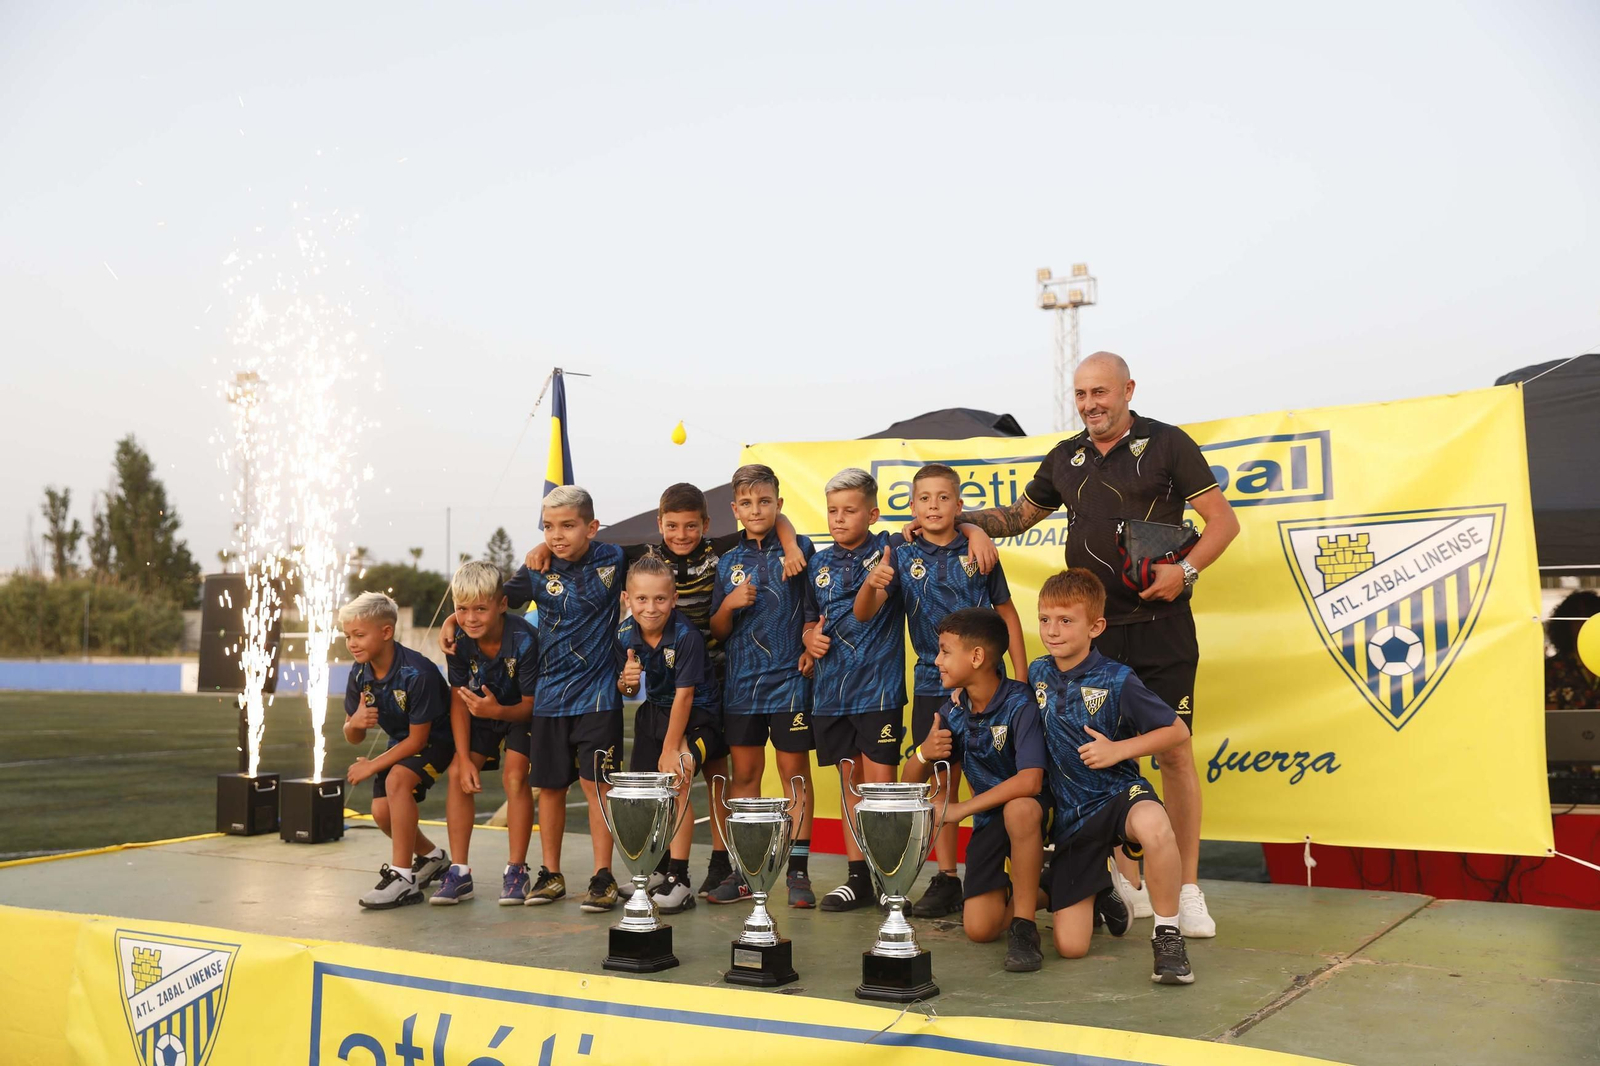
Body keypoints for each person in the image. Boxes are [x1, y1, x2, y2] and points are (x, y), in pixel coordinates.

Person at [953, 352, 1239, 936]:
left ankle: (1186, 888)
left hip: (1161, 630)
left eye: (1101, 392)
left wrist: (1184, 573)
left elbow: (1222, 523)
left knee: (1174, 753)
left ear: (1128, 389)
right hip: (1093, 643)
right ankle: (1126, 885)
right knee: (1094, 754)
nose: (1090, 404)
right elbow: (1021, 515)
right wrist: (966, 520)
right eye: (1081, 395)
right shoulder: (1065, 457)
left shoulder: (1168, 444)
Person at [520, 482, 805, 897]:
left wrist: (792, 543)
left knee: (713, 775)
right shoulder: (646, 558)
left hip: (715, 680)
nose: (681, 535)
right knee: (661, 783)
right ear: (660, 525)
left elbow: (771, 518)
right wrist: (543, 548)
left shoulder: (719, 549)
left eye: (691, 527)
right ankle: (666, 867)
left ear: (706, 526)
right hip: (663, 694)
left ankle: (719, 863)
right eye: (672, 527)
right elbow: (576, 539)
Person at [861, 462, 1018, 919]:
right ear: (911, 506)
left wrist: (1021, 681)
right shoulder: (896, 550)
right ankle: (946, 877)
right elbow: (866, 612)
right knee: (938, 780)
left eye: (943, 498)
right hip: (933, 685)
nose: (934, 506)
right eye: (924, 498)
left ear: (958, 504)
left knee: (993, 776)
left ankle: (999, 870)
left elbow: (1006, 614)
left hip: (990, 687)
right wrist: (873, 585)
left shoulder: (978, 549)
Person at [1032, 569, 1194, 984]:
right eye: (1045, 619)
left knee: (1156, 828)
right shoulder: (1036, 674)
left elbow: (1176, 730)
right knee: (1071, 947)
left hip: (1120, 794)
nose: (1053, 630)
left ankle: (1168, 936)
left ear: (1096, 626)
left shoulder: (1118, 678)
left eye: (1066, 621)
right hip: (1073, 816)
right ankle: (1101, 888)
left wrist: (1118, 750)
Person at [904, 608, 1049, 972]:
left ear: (978, 657)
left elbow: (1031, 781)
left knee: (1020, 808)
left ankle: (1025, 927)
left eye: (945, 651)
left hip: (1036, 816)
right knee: (980, 929)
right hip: (989, 823)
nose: (936, 661)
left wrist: (961, 809)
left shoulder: (1021, 703)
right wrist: (924, 752)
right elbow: (908, 785)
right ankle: (1063, 888)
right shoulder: (952, 711)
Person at [504, 485, 626, 912]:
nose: (557, 535)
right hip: (549, 700)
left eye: (568, 526)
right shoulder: (536, 569)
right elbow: (494, 601)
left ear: (591, 527)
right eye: (548, 527)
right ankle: (550, 874)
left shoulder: (614, 558)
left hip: (598, 699)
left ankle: (603, 877)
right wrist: (451, 618)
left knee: (598, 788)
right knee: (550, 789)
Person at [708, 464, 818, 907]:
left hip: (790, 682)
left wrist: (811, 640)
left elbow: (816, 608)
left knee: (794, 774)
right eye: (748, 504)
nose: (757, 510)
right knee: (746, 776)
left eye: (765, 501)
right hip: (741, 688)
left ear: (779, 504)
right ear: (735, 510)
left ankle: (798, 871)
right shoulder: (729, 563)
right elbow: (717, 629)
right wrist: (730, 604)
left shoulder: (800, 549)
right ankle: (745, 870)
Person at [806, 467, 907, 912]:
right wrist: (808, 639)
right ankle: (857, 877)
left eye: (850, 510)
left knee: (881, 788)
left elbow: (937, 521)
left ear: (873, 512)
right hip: (831, 693)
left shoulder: (892, 551)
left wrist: (970, 530)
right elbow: (810, 620)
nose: (840, 518)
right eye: (833, 511)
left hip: (879, 691)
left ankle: (890, 877)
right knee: (850, 786)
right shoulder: (817, 563)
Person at [615, 554, 723, 914]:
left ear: (674, 599)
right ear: (628, 599)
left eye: (660, 599)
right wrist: (627, 683)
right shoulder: (624, 634)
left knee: (675, 780)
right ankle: (658, 871)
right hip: (654, 714)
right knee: (646, 794)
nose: (650, 607)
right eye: (641, 599)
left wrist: (670, 747)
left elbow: (686, 695)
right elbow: (628, 689)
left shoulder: (687, 636)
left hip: (698, 719)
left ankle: (681, 880)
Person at [430, 562, 538, 906]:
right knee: (458, 773)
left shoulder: (524, 640)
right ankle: (459, 872)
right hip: (480, 711)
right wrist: (463, 758)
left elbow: (531, 706)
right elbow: (459, 700)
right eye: (462, 609)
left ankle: (517, 870)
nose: (471, 618)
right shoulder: (458, 641)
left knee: (515, 777)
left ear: (502, 605)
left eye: (480, 609)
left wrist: (497, 711)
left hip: (521, 713)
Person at [339, 591, 453, 910]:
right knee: (380, 813)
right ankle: (433, 858)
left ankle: (403, 879)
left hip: (437, 740)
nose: (352, 643)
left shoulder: (417, 673)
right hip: (400, 741)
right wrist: (355, 723)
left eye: (359, 635)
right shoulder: (359, 673)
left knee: (396, 782)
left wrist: (371, 766)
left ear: (386, 632)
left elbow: (418, 741)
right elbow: (353, 736)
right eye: (348, 636)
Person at [1546, 591, 1600, 710]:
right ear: (1566, 624)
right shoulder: (1552, 669)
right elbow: (1549, 719)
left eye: (1591, 617)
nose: (1584, 623)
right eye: (1578, 617)